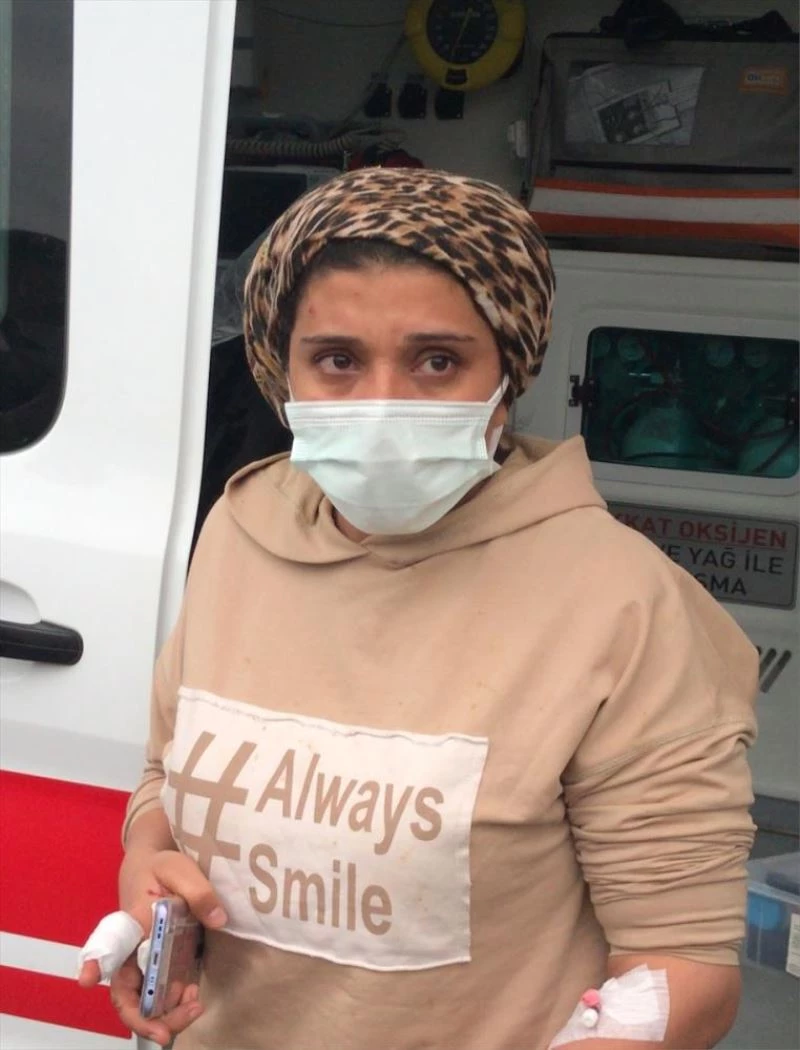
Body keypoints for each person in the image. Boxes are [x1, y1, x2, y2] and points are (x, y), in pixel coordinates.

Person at [79, 167, 758, 1050]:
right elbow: (166, 774)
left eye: (438, 361)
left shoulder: (621, 604)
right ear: (281, 372)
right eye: (337, 361)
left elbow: (681, 974)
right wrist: (149, 870)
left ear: (507, 375)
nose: (383, 403)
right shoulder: (242, 532)